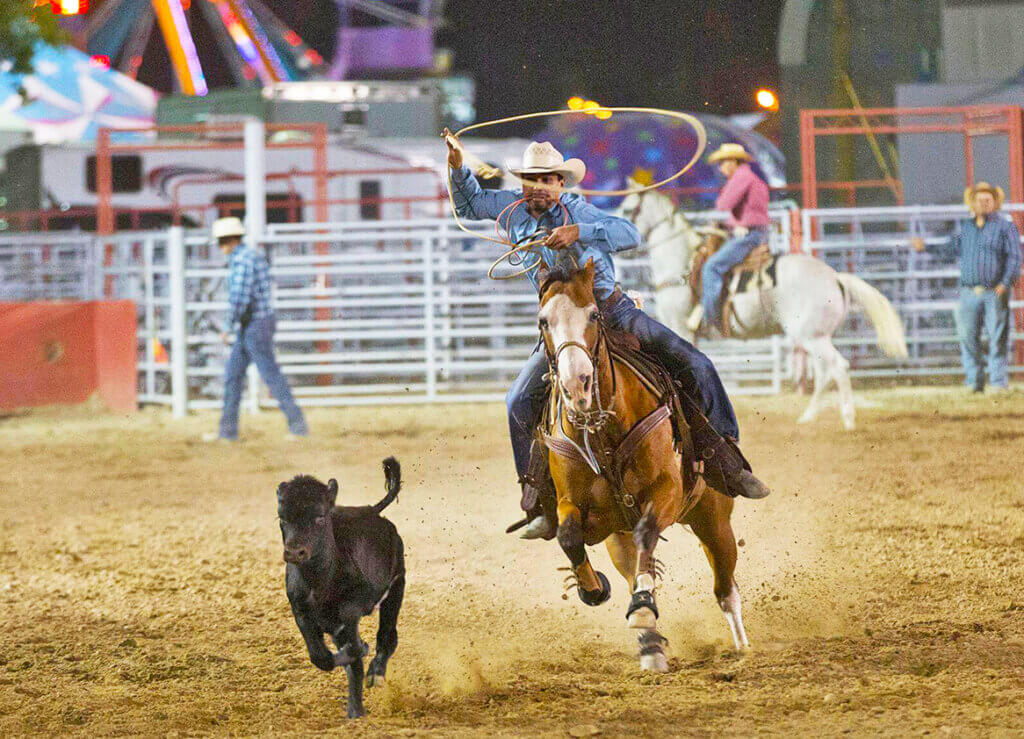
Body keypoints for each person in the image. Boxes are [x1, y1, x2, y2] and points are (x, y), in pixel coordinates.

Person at [443, 130, 770, 540]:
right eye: (532, 179)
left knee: (695, 363)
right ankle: (539, 498)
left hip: (612, 313)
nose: (538, 187)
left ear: (561, 184)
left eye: (547, 180)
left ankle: (727, 459)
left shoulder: (581, 210)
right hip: (563, 327)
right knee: (517, 400)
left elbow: (628, 234)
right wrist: (457, 167)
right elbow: (469, 203)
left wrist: (579, 232)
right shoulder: (513, 210)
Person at [912, 182, 1021, 393]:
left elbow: (1014, 257)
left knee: (997, 337)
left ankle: (998, 383)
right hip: (969, 291)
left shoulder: (1005, 227)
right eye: (980, 200)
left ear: (995, 203)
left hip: (994, 291)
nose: (983, 203)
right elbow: (950, 248)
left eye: (987, 200)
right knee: (967, 337)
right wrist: (926, 247)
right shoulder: (966, 227)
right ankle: (974, 381)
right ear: (973, 203)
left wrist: (1005, 283)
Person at [207, 217, 308, 441]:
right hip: (255, 323)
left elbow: (239, 298)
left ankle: (297, 426)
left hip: (254, 324)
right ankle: (227, 432)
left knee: (264, 375)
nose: (220, 246)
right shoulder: (249, 257)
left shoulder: (242, 261)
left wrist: (227, 326)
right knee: (236, 375)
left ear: (230, 240)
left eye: (222, 241)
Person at [688, 143, 771, 333]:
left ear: (734, 161)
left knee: (711, 267)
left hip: (750, 235)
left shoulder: (741, 177)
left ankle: (710, 321)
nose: (721, 167)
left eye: (723, 162)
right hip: (753, 231)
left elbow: (723, 204)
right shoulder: (748, 176)